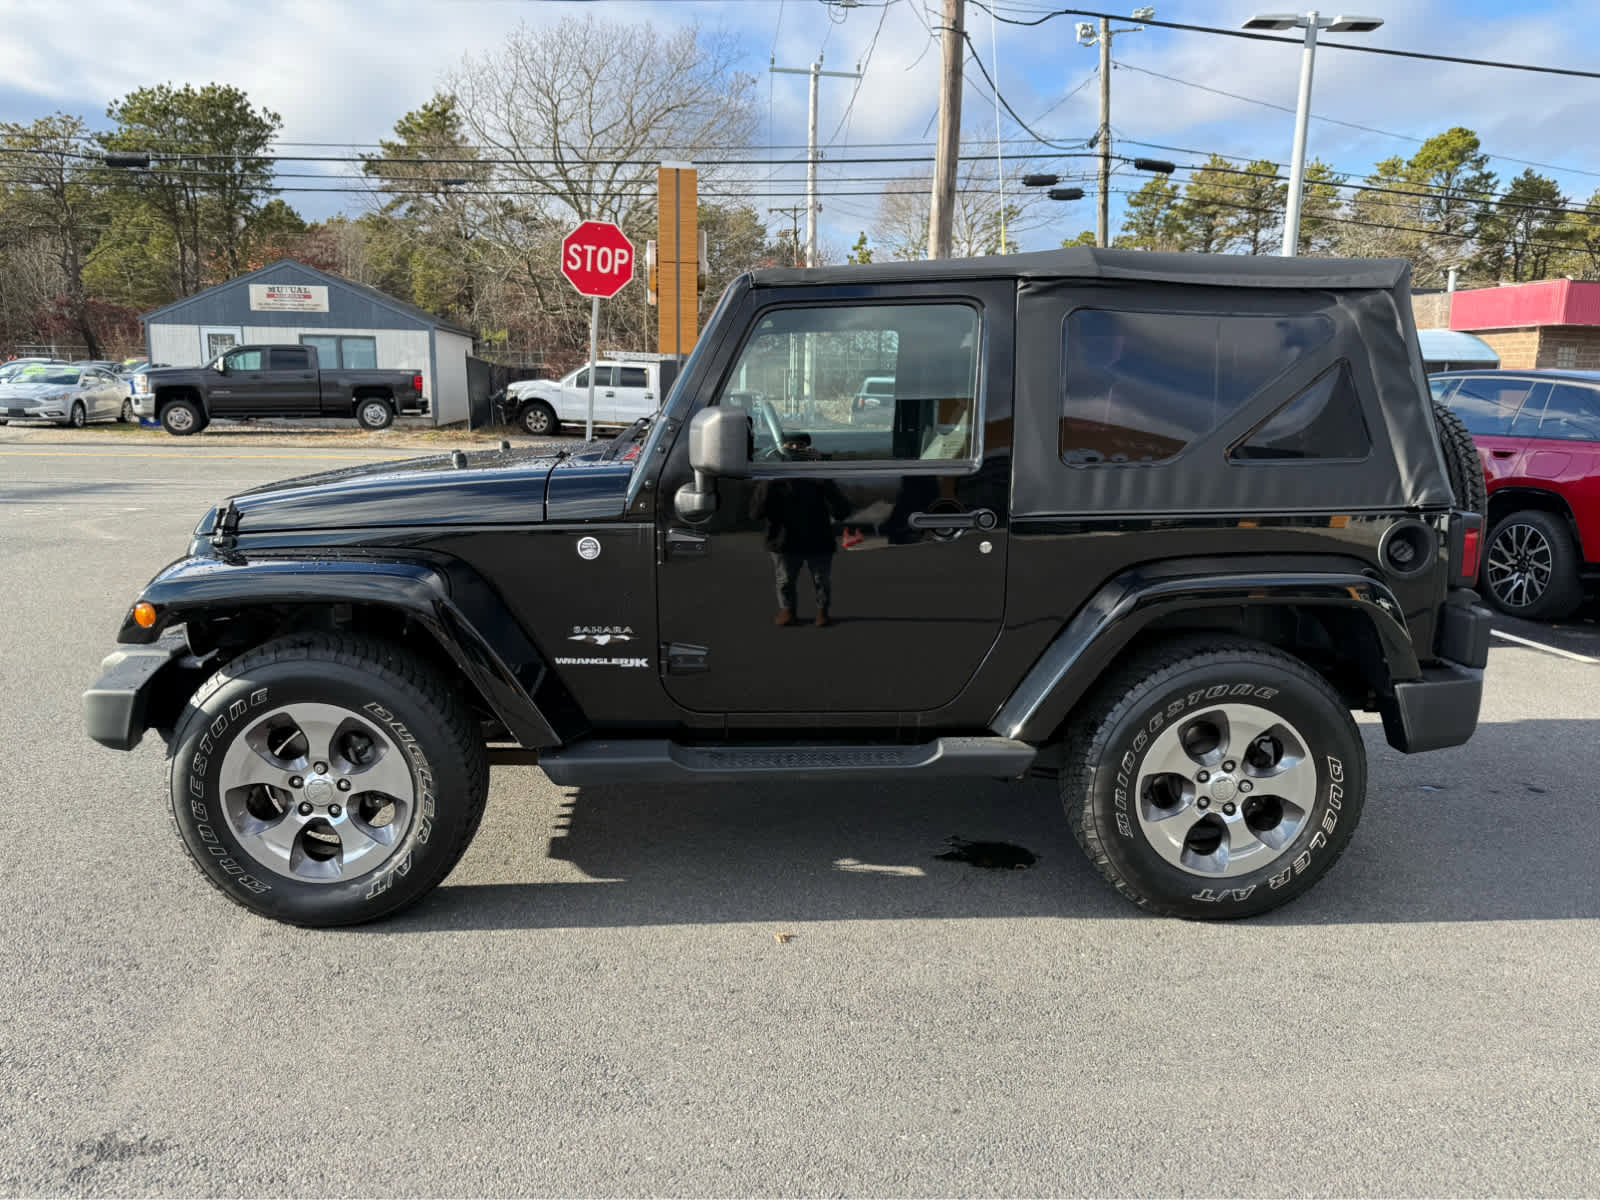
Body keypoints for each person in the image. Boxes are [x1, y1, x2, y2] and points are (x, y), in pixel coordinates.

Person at [752, 432, 851, 626]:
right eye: (791, 446)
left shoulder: (819, 478)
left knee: (821, 580)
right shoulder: (774, 479)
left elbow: (841, 511)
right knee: (785, 580)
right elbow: (756, 512)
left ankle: (822, 611)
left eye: (801, 447)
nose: (796, 451)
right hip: (784, 539)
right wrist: (771, 478)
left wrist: (823, 475)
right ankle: (787, 610)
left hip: (817, 538)